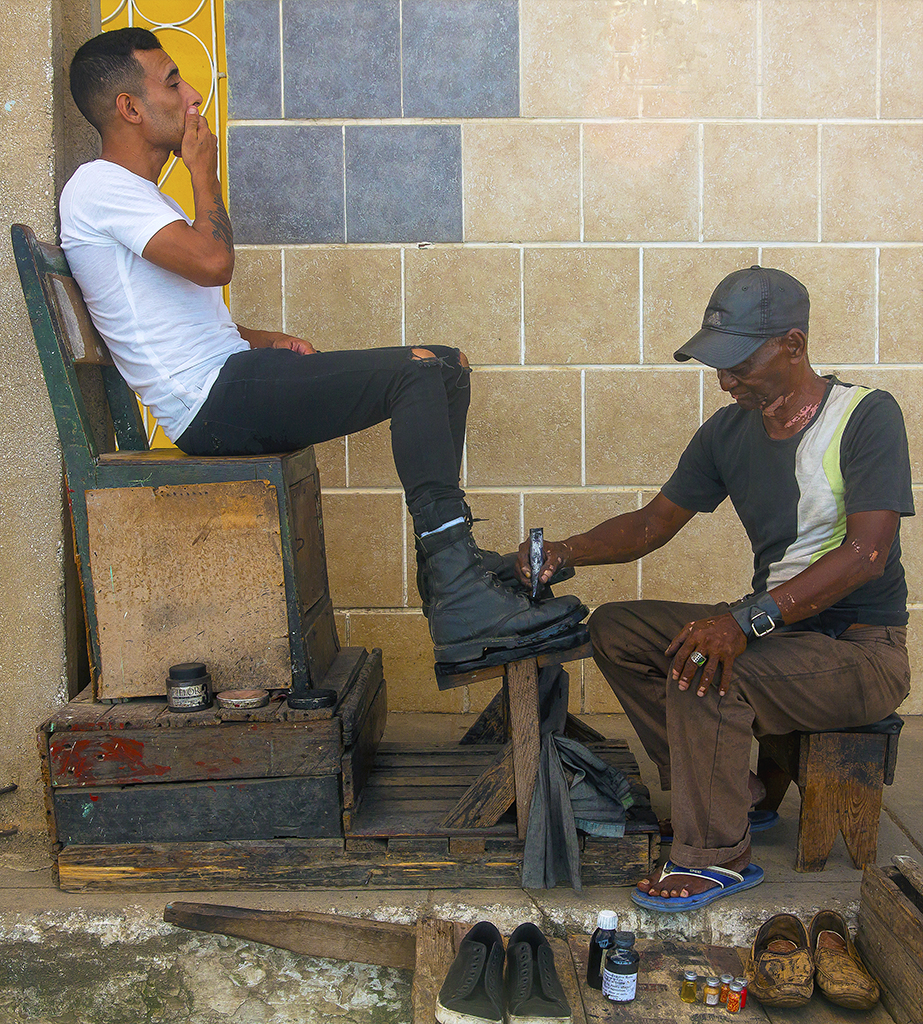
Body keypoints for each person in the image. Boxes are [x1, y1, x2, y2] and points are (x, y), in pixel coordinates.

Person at [60, 28, 585, 668]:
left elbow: (167, 319)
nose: (193, 95)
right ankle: (455, 590)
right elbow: (214, 261)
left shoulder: (134, 197)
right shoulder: (98, 185)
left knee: (446, 364)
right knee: (415, 375)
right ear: (130, 109)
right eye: (172, 81)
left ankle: (459, 567)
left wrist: (263, 340)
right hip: (210, 403)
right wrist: (204, 171)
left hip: (229, 377)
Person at [518, 265, 913, 910]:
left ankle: (715, 858)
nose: (726, 380)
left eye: (740, 363)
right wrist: (559, 554)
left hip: (860, 650)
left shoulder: (865, 416)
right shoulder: (728, 431)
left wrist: (748, 621)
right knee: (616, 629)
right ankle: (732, 791)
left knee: (702, 670)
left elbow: (868, 553)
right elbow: (652, 523)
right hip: (780, 633)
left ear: (794, 344)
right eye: (718, 365)